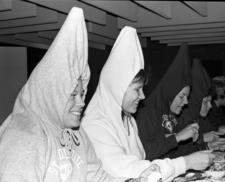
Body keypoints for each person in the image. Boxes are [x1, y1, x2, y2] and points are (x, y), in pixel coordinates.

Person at [0, 7, 155, 182]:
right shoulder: (24, 136)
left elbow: (98, 177)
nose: (82, 103)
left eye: (82, 94)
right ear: (52, 93)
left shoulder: (78, 134)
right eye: (73, 95)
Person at [81, 26, 214, 182]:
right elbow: (129, 170)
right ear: (118, 87)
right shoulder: (95, 124)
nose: (143, 96)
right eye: (137, 90)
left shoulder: (128, 120)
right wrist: (185, 163)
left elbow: (142, 159)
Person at [135, 46, 207, 159]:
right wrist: (177, 137)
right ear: (170, 92)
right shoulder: (146, 113)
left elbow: (175, 152)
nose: (186, 102)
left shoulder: (171, 114)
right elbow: (144, 152)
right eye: (182, 96)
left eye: (187, 97)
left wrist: (204, 146)